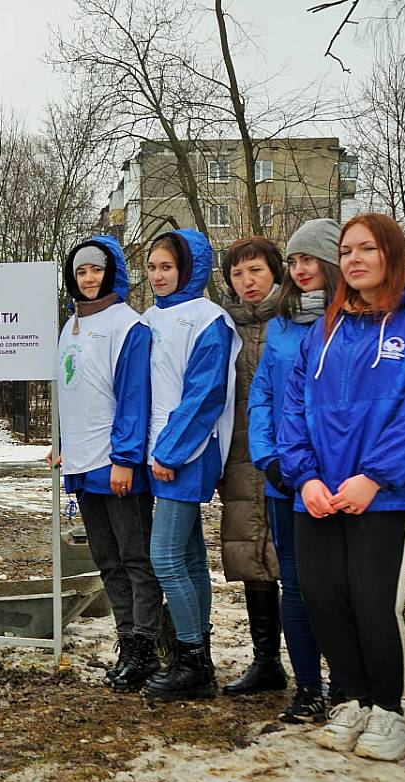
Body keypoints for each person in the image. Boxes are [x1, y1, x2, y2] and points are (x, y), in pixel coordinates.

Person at [279, 213, 405, 762]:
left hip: (388, 491)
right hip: (320, 492)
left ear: (391, 255)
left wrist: (374, 476)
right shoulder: (325, 327)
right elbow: (294, 407)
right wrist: (304, 476)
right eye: (347, 251)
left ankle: (389, 710)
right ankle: (352, 697)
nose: (354, 260)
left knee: (373, 599)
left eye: (366, 249)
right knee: (324, 594)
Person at [50, 236, 161, 692]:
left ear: (110, 272)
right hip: (80, 462)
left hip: (115, 464)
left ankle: (147, 649)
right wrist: (58, 442)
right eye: (80, 272)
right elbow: (67, 392)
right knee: (107, 560)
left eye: (95, 270)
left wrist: (125, 458)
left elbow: (134, 398)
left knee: (136, 558)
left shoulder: (128, 326)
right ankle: (126, 639)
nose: (89, 279)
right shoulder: (69, 325)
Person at [140, 229, 240, 701]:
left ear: (188, 268)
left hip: (186, 453)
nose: (158, 276)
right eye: (152, 267)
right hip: (158, 451)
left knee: (164, 558)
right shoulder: (149, 318)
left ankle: (191, 658)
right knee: (190, 556)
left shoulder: (208, 320)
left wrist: (169, 452)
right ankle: (198, 655)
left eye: (167, 267)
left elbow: (204, 396)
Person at [248, 219, 341, 723]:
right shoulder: (280, 325)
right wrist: (270, 458)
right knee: (296, 582)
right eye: (295, 260)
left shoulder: (353, 318)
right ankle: (308, 688)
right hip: (286, 480)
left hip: (339, 481)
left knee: (339, 586)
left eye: (310, 259)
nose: (301, 269)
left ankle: (348, 685)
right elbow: (262, 396)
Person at [218, 236, 286, 697]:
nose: (247, 281)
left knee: (298, 565)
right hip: (239, 458)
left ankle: (324, 666)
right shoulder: (226, 329)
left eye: (256, 271)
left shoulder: (296, 319)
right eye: (238, 274)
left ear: (275, 273)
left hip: (289, 459)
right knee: (250, 557)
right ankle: (266, 662)